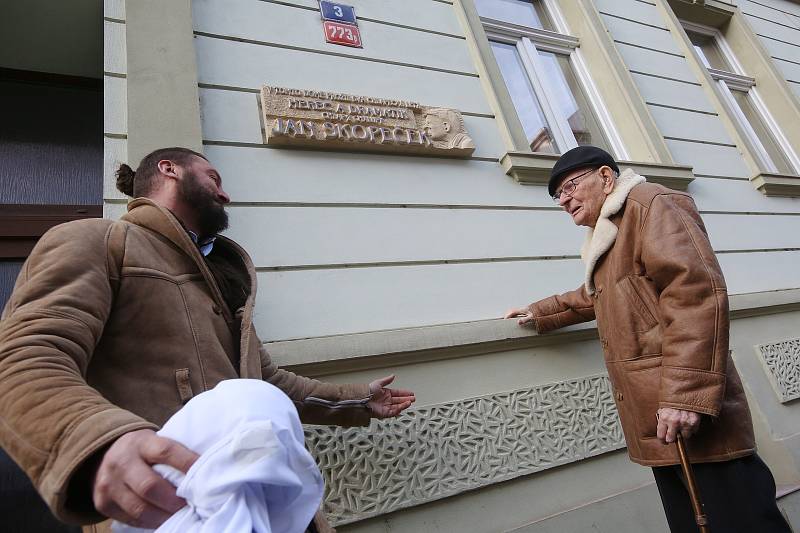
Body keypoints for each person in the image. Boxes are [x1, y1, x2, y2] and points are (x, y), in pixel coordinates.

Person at [0, 147, 415, 533]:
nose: (225, 193)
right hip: (162, 509)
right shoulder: (97, 240)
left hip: (262, 508)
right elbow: (24, 357)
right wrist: (96, 437)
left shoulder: (222, 280)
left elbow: (268, 382)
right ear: (170, 169)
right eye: (213, 178)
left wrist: (360, 400)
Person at [504, 145, 791, 532]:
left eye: (570, 186)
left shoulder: (651, 204)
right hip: (658, 413)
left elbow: (695, 294)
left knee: (738, 518)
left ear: (606, 177)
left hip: (681, 407)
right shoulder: (611, 230)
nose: (564, 199)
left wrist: (684, 394)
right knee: (695, 521)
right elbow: (599, 293)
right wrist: (540, 311)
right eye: (558, 195)